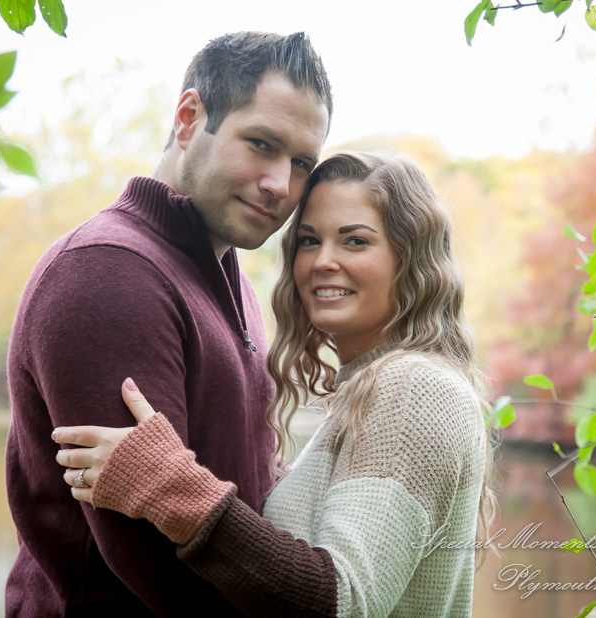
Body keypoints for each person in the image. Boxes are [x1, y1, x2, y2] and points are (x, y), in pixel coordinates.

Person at [53, 152, 498, 617]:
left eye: (355, 241)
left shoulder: (415, 386)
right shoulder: (370, 389)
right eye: (309, 240)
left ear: (412, 258)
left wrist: (168, 485)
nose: (324, 261)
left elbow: (341, 603)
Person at [5, 32, 333, 616]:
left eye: (302, 164)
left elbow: (236, 477)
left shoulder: (226, 276)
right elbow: (152, 566)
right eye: (261, 144)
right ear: (188, 120)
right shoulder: (109, 272)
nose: (281, 185)